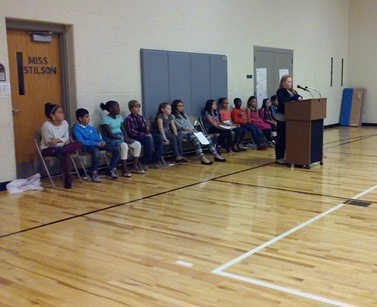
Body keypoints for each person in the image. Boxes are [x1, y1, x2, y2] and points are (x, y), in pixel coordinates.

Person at [40, 103, 82, 189]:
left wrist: (58, 140)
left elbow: (67, 139)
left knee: (78, 143)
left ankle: (63, 151)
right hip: (49, 149)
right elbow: (51, 143)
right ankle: (67, 178)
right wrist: (62, 142)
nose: (63, 114)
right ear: (52, 115)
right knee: (65, 154)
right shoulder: (46, 126)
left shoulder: (64, 123)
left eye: (62, 112)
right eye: (59, 112)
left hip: (62, 148)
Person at [73, 108, 121, 182]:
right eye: (86, 117)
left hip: (97, 144)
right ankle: (93, 172)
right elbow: (81, 141)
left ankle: (111, 168)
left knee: (115, 149)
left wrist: (102, 141)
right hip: (87, 147)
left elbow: (97, 137)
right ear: (80, 119)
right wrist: (96, 143)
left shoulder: (90, 127)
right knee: (96, 153)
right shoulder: (76, 128)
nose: (88, 119)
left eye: (88, 116)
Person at [171, 99, 226, 164]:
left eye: (182, 106)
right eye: (179, 106)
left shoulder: (184, 115)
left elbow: (190, 125)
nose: (181, 107)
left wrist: (195, 130)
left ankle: (216, 155)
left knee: (206, 137)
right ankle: (202, 157)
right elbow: (179, 127)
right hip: (183, 133)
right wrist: (191, 130)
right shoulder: (173, 116)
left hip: (191, 131)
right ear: (175, 107)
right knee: (196, 139)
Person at [100, 100, 144, 177]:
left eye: (119, 106)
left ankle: (134, 166)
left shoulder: (119, 117)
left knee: (137, 144)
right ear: (111, 109)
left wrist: (126, 137)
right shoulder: (105, 119)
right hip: (111, 139)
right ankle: (124, 168)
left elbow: (123, 129)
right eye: (117, 107)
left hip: (121, 136)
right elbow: (109, 134)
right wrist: (122, 139)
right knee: (124, 145)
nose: (119, 108)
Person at [124, 100, 164, 170]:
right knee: (148, 139)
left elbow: (146, 128)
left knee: (159, 138)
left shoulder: (141, 117)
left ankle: (155, 160)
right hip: (136, 136)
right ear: (131, 109)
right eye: (136, 107)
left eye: (139, 107)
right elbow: (131, 131)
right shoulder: (129, 119)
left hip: (144, 135)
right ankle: (145, 162)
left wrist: (148, 133)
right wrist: (144, 134)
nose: (138, 109)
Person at [275, 75, 303, 164]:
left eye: (291, 82)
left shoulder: (293, 92)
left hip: (292, 118)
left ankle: (291, 156)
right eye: (289, 81)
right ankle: (279, 157)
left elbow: (299, 97)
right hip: (282, 117)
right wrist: (295, 98)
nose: (291, 83)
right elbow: (285, 101)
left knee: (290, 138)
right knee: (281, 138)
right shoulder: (280, 91)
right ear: (283, 83)